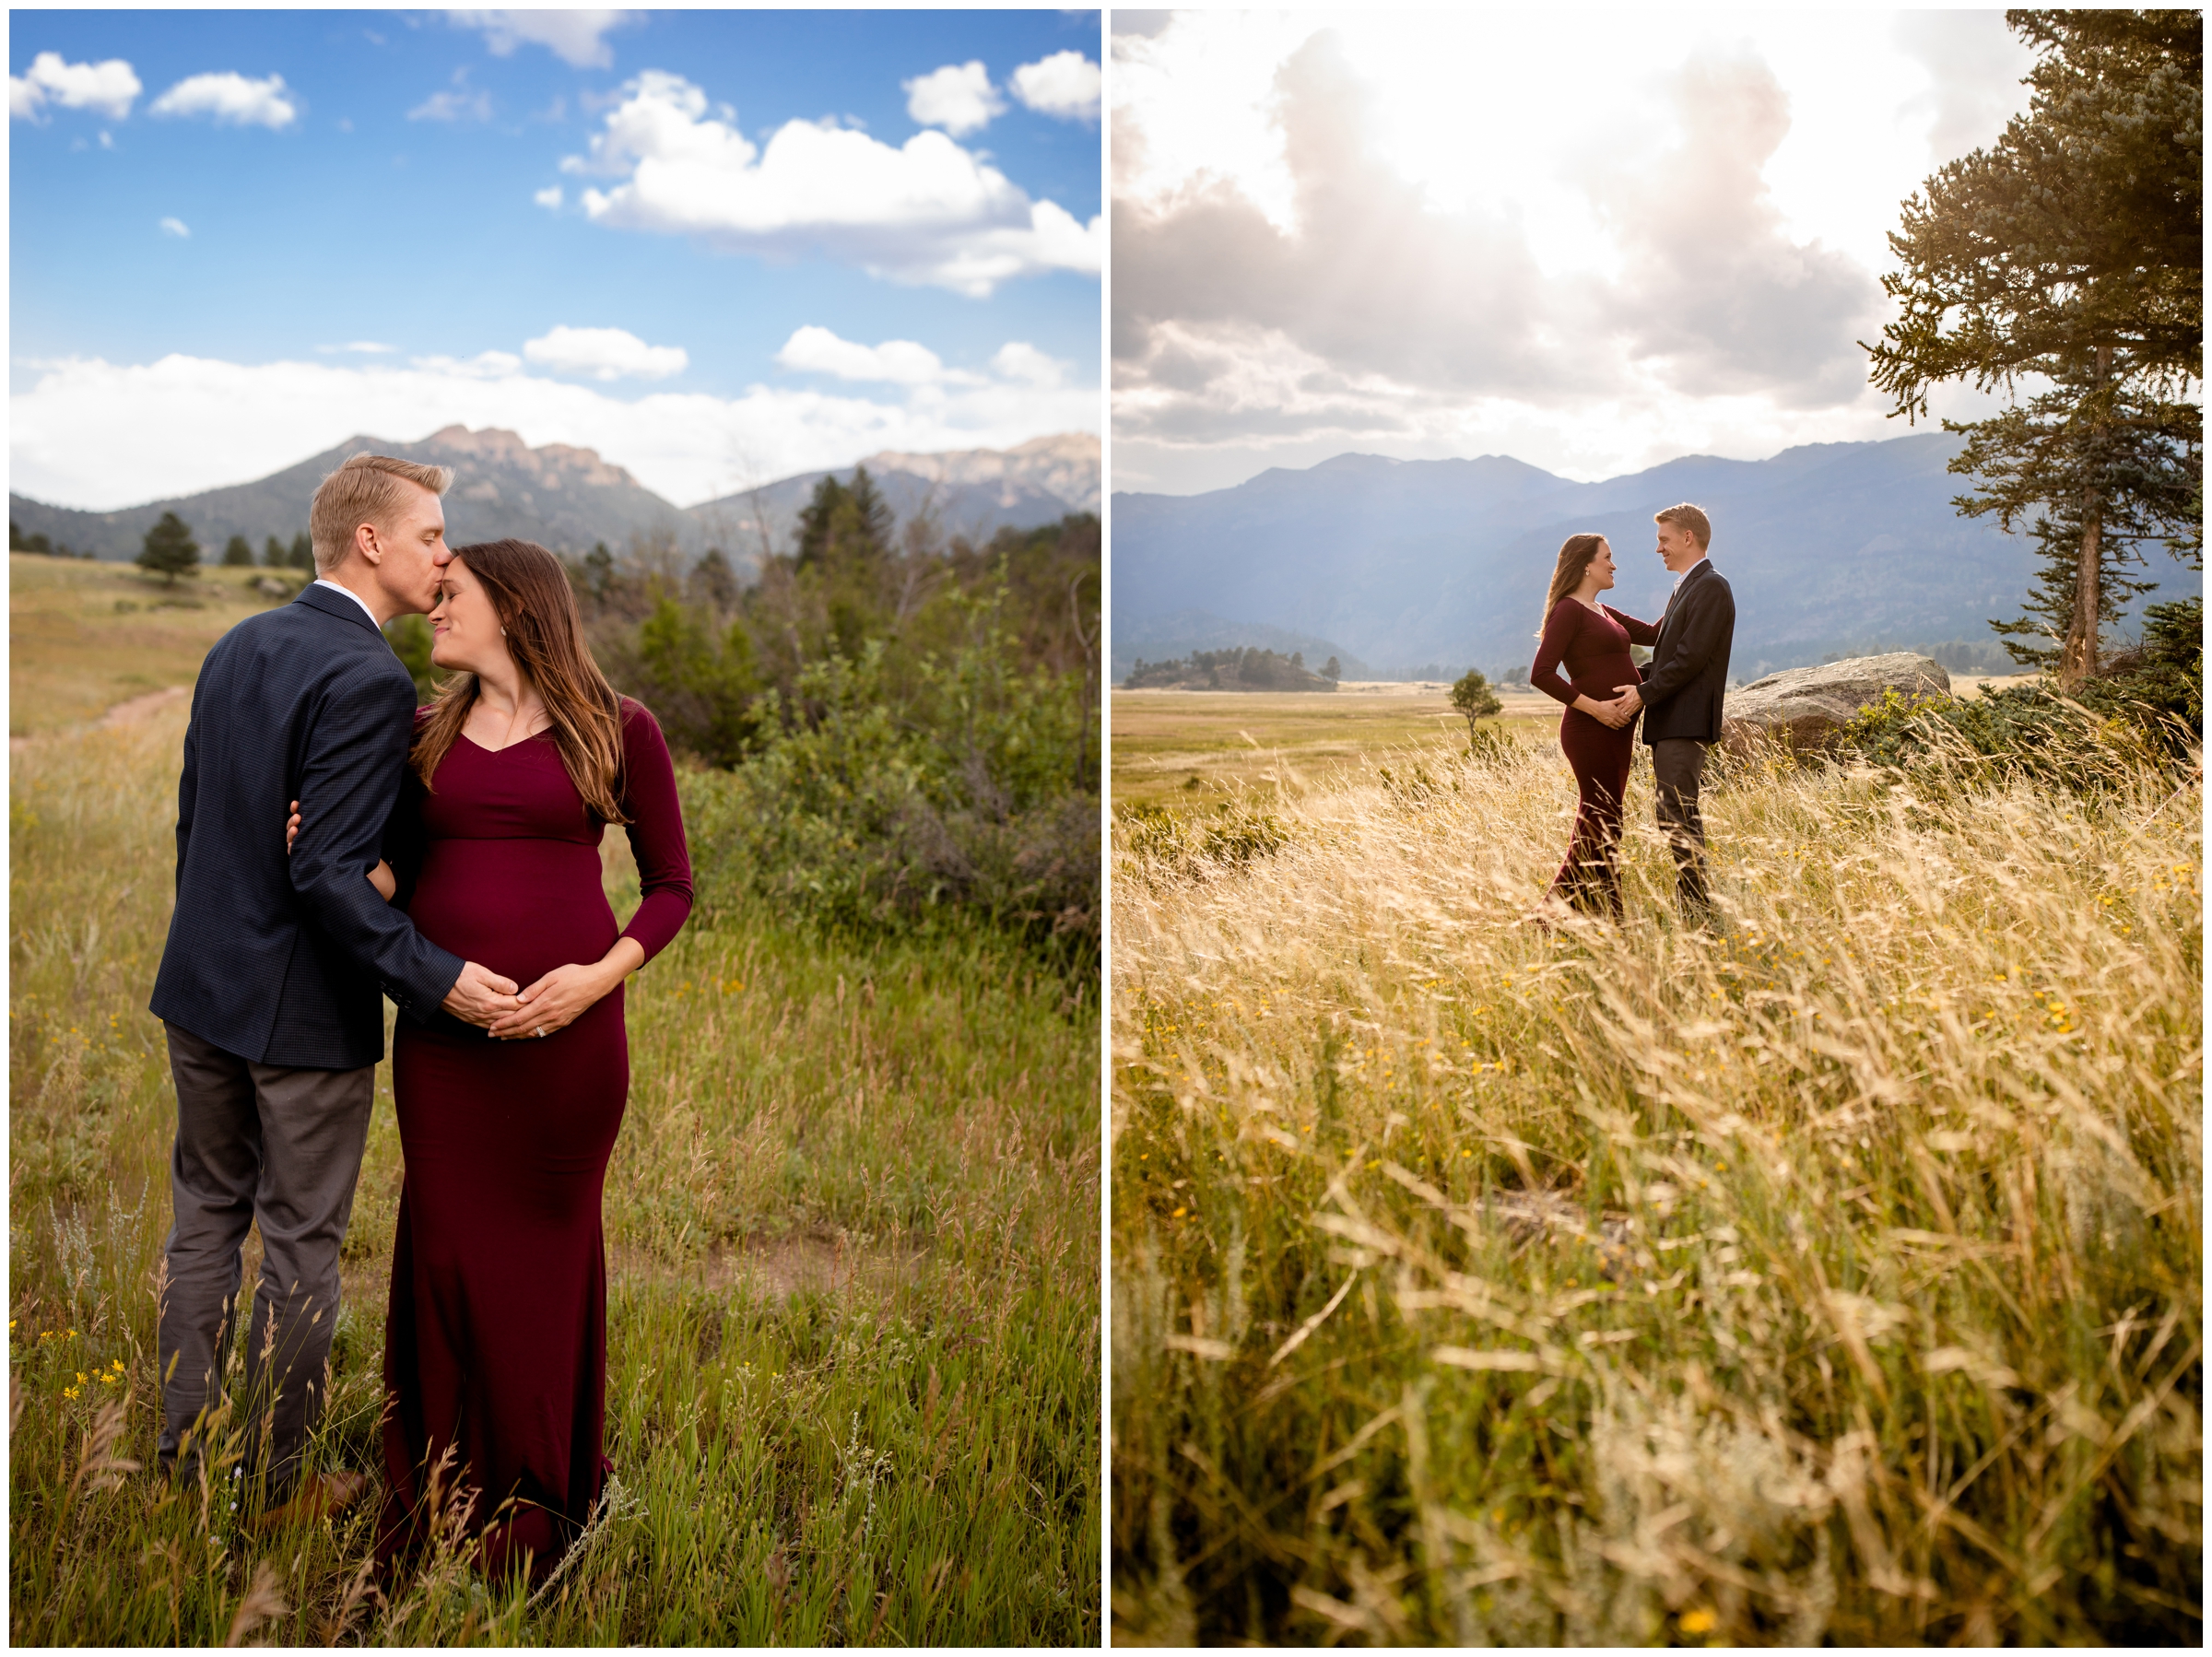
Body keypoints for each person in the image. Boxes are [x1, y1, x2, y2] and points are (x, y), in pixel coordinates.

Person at [292, 537, 692, 1581]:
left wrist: (596, 977)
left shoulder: (618, 726)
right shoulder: (426, 735)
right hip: (444, 1048)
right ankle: (436, 1484)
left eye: (452, 594)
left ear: (513, 609)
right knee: (448, 1258)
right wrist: (324, 847)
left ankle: (536, 1500)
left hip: (569, 1056)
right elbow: (389, 876)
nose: (435, 606)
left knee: (547, 1268)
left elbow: (671, 887)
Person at [147, 454, 523, 1529]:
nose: (443, 555)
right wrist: (440, 979)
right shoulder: (368, 678)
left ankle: (183, 1458)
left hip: (201, 990)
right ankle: (276, 1485)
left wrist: (213, 945)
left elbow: (201, 826)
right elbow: (324, 872)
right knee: (303, 1245)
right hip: (300, 1015)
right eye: (431, 536)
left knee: (206, 1217)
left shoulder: (239, 644)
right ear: (372, 541)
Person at [1595, 503, 1735, 917]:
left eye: (1664, 539)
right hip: (1671, 718)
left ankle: (1696, 909)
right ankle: (1694, 907)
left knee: (1678, 814)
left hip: (1685, 720)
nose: (1659, 549)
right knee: (1672, 812)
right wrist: (1627, 678)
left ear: (1688, 538)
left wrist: (1642, 694)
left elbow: (1690, 659)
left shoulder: (1711, 587)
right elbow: (1668, 653)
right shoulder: (1684, 587)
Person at [1529, 534, 1658, 918]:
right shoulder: (1569, 610)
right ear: (1587, 564)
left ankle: (1597, 915)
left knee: (1607, 823)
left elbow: (1654, 635)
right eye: (1608, 557)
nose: (1614, 565)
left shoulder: (1603, 611)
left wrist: (1686, 584)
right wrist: (1596, 709)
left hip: (1618, 732)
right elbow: (1541, 673)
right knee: (1601, 821)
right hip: (1590, 731)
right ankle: (1554, 917)